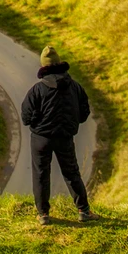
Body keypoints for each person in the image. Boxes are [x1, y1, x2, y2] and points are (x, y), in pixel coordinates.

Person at [20, 44, 95, 225]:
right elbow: (84, 113)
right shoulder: (75, 87)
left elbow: (26, 117)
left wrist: (39, 121)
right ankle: (83, 211)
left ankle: (43, 215)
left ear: (43, 66)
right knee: (71, 173)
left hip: (40, 139)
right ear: (60, 63)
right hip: (65, 138)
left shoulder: (37, 90)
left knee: (40, 175)